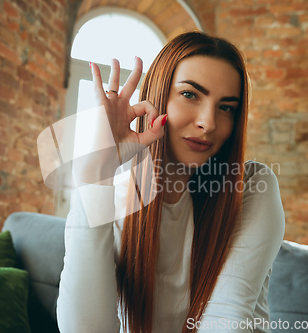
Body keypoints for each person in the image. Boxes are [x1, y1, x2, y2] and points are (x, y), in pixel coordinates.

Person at [56, 31, 285, 333]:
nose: (208, 122)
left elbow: (227, 320)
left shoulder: (253, 186)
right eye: (190, 95)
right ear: (158, 97)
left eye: (226, 107)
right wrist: (95, 172)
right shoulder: (112, 199)